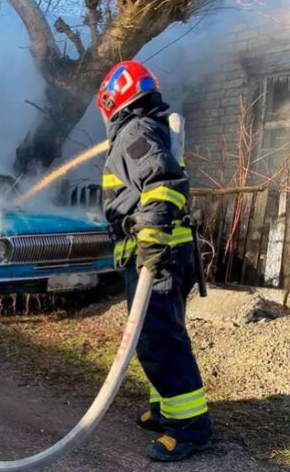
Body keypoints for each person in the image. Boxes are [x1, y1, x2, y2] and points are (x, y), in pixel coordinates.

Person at [98, 60, 212, 461]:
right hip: (159, 254)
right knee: (160, 334)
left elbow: (163, 183)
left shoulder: (135, 131)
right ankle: (168, 409)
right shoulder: (148, 127)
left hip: (156, 257)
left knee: (158, 339)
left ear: (112, 99)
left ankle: (190, 428)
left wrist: (150, 240)